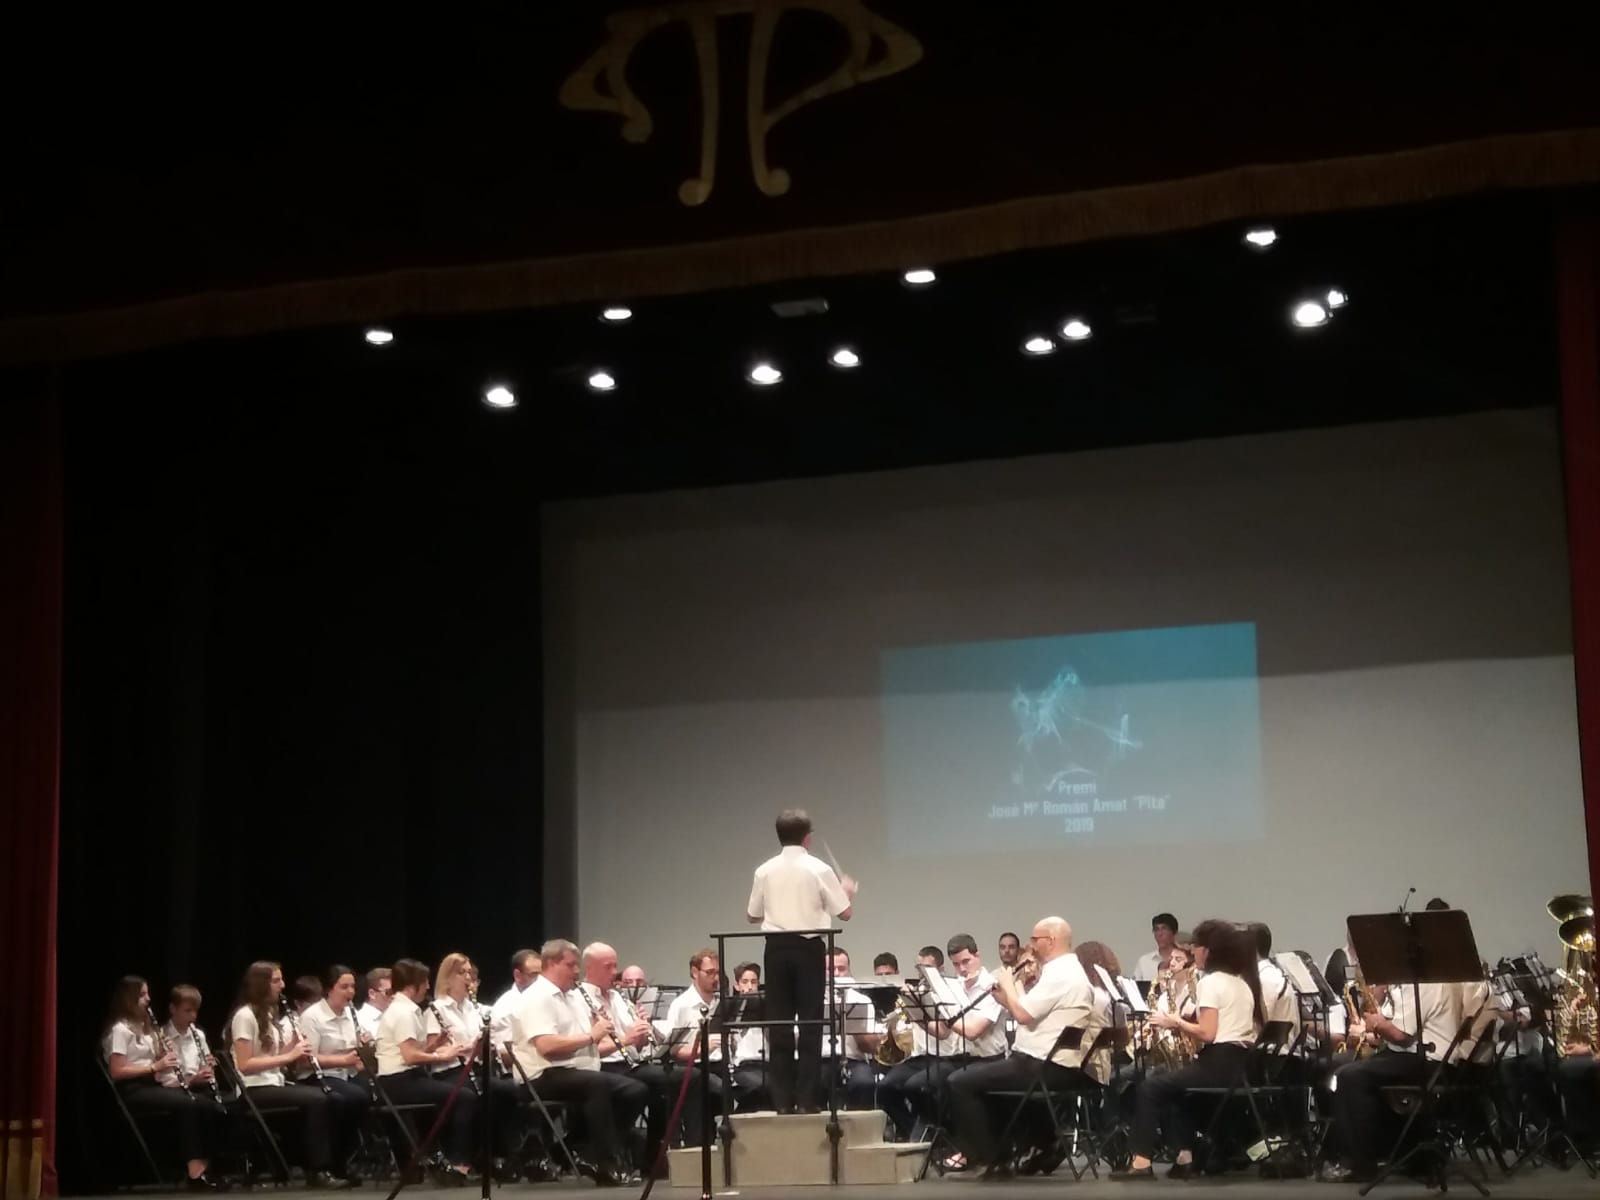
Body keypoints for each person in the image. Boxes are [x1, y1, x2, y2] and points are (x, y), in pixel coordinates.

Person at [1116, 919, 1265, 1180]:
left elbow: (1208, 1033)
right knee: (1176, 1095)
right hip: (1240, 1066)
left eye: (1196, 946)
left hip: (1218, 1063)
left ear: (1209, 950)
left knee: (1150, 1087)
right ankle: (1185, 1158)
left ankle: (1141, 1162)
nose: (1193, 952)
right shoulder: (1241, 983)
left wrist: (1176, 1022)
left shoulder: (1210, 982)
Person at [947, 917, 1094, 1172]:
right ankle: (1032, 1145)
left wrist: (1008, 983)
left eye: (1035, 939)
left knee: (959, 1082)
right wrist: (1006, 998)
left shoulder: (1061, 974)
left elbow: (1024, 1015)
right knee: (986, 1083)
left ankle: (992, 1158)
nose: (1031, 945)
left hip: (1044, 1066)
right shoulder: (1065, 970)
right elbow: (1029, 1011)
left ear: (1051, 941)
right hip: (1047, 1063)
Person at [510, 939, 648, 1184]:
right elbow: (547, 1047)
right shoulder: (537, 997)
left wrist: (602, 1029)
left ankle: (581, 1149)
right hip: (541, 1076)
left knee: (635, 1090)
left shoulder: (572, 998)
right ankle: (607, 1164)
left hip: (574, 1071)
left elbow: (587, 1039)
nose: (576, 971)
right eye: (571, 965)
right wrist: (592, 1035)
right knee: (596, 1084)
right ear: (551, 964)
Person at [745, 808, 856, 1113]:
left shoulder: (764, 870)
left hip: (776, 950)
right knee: (810, 1024)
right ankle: (807, 1101)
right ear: (808, 838)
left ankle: (781, 1102)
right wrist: (846, 892)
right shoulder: (819, 868)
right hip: (808, 949)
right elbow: (845, 913)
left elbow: (752, 915)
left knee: (779, 1024)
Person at [1323, 961, 1464, 1182]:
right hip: (1411, 1055)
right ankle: (1388, 1152)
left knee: (1351, 1076)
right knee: (1345, 1071)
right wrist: (1378, 1003)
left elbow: (1400, 1035)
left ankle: (1362, 1163)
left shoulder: (1422, 983)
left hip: (1429, 1059)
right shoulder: (1411, 982)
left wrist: (1376, 1023)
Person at [229, 961, 351, 1187]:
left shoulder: (267, 1014)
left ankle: (330, 1164)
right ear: (261, 984)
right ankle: (318, 1171)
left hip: (273, 1083)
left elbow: (272, 1057)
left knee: (332, 1099)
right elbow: (245, 1065)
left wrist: (294, 1044)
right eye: (276, 981)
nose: (282, 985)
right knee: (318, 1099)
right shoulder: (244, 1016)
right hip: (253, 1088)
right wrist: (290, 1056)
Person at [102, 976, 225, 1190]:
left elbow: (152, 1061)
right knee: (188, 1103)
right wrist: (155, 1066)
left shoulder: (144, 1028)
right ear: (129, 998)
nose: (148, 999)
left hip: (151, 1085)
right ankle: (195, 1174)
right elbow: (117, 1071)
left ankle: (206, 1168)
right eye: (142, 994)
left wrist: (163, 1054)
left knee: (206, 1105)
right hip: (131, 1089)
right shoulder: (120, 1029)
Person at [879, 933, 1004, 1141]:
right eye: (957, 964)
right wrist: (916, 1011)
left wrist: (949, 1017)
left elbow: (974, 1032)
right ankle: (944, 1133)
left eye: (966, 961)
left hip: (987, 1059)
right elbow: (943, 1033)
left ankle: (960, 1139)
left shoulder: (991, 987)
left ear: (978, 956)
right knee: (914, 1086)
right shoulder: (954, 987)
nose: (962, 969)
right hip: (959, 1058)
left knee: (951, 1083)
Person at [374, 957, 481, 1176]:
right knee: (464, 1097)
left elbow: (413, 1050)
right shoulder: (403, 1012)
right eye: (425, 982)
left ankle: (437, 1155)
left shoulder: (406, 1009)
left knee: (456, 1096)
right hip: (397, 1082)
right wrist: (443, 1056)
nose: (428, 987)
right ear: (413, 986)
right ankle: (458, 1162)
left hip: (408, 1077)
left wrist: (435, 1044)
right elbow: (410, 1057)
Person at [581, 942, 669, 1161]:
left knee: (667, 1090)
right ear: (590, 968)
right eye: (608, 967)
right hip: (605, 1066)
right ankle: (608, 1149)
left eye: (615, 966)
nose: (614, 972)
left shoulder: (618, 998)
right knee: (649, 1088)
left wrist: (641, 1033)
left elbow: (634, 1045)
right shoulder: (581, 999)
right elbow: (590, 1049)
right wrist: (627, 1039)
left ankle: (652, 1159)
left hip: (629, 1063)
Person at [295, 965, 373, 1177]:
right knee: (352, 1097)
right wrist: (343, 1060)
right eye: (344, 987)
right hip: (318, 1076)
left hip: (346, 1074)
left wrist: (364, 1047)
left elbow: (355, 1053)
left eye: (353, 987)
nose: (350, 992)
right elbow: (306, 1060)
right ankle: (332, 1163)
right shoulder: (312, 1016)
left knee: (376, 1092)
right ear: (330, 989)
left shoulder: (351, 1014)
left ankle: (349, 1157)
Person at [665, 949, 730, 1139]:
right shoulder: (681, 1005)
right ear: (695, 972)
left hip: (719, 1064)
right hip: (693, 1067)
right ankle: (698, 1143)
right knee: (719, 1089)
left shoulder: (721, 1003)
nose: (715, 978)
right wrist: (703, 1049)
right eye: (710, 972)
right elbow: (673, 1050)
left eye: (717, 972)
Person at [819, 948, 881, 1109]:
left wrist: (857, 1029)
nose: (837, 974)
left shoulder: (861, 1000)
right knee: (812, 1085)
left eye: (842, 969)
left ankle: (859, 1124)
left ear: (849, 970)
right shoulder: (812, 1000)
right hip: (822, 1059)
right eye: (830, 969)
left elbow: (871, 1048)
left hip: (853, 1060)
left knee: (864, 1083)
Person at [490, 949, 542, 1067]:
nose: (539, 980)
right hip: (521, 1070)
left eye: (541, 975)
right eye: (534, 975)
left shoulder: (544, 998)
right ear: (517, 975)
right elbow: (504, 1055)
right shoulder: (505, 1007)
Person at [728, 963, 770, 1111]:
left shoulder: (766, 1006)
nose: (750, 987)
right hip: (742, 1066)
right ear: (737, 985)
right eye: (745, 982)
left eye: (754, 982)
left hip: (766, 1065)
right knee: (761, 1085)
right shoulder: (731, 1008)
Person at [1134, 914, 1180, 981]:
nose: (1160, 934)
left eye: (1164, 929)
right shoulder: (1144, 961)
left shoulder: (1185, 960)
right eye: (1156, 930)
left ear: (1174, 932)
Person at [356, 967, 392, 1038]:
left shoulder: (396, 1016)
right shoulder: (359, 1021)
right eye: (389, 992)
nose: (394, 996)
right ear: (372, 994)